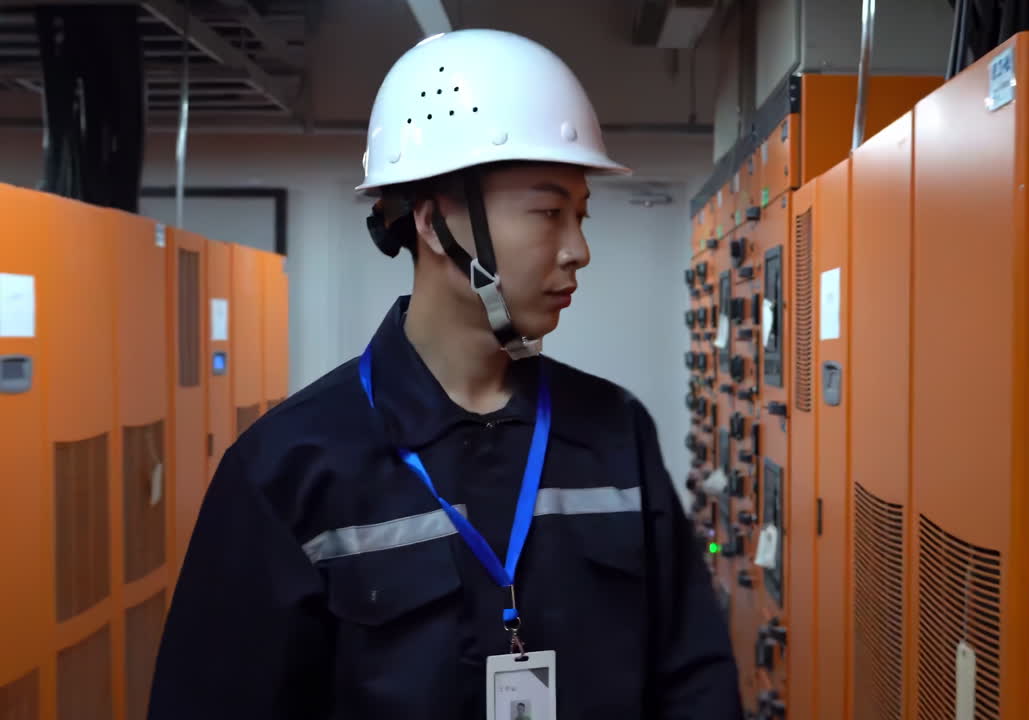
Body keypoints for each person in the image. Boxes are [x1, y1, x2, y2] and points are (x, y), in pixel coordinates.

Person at [147, 28, 741, 720]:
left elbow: (692, 678)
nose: (579, 250)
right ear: (433, 225)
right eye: (549, 213)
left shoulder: (613, 435)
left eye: (581, 215)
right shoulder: (291, 469)